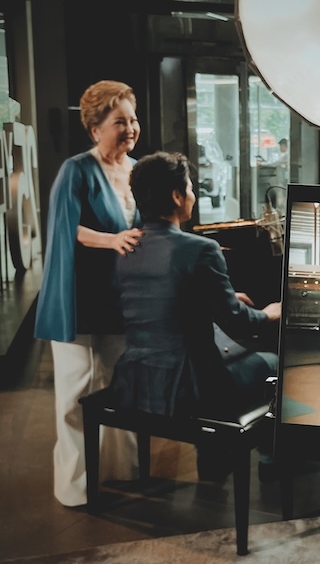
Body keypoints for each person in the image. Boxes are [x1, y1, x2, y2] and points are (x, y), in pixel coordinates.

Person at [108, 150, 281, 483]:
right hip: (188, 384)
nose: (192, 195)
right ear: (176, 196)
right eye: (189, 188)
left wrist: (217, 298)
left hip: (137, 376)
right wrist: (269, 314)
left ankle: (214, 465)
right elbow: (238, 321)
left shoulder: (127, 248)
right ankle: (270, 460)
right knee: (274, 364)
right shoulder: (201, 249)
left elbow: (161, 303)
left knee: (218, 361)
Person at [34, 80, 143, 507]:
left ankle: (119, 471)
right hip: (79, 297)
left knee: (118, 386)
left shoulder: (139, 170)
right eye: (120, 121)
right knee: (77, 391)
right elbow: (65, 228)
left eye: (133, 119)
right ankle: (75, 485)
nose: (131, 128)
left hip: (122, 299)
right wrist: (111, 240)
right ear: (95, 129)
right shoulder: (76, 170)